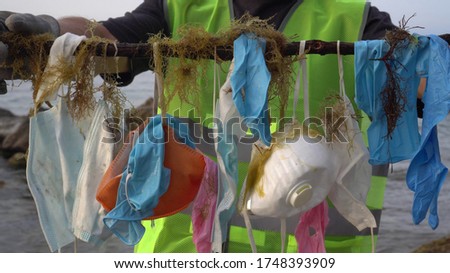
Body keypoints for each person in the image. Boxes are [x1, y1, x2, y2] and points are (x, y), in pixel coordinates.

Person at [1, 0, 397, 253]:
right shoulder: (175, 10)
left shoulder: (357, 20)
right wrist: (52, 34)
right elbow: (104, 38)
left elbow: (419, 79)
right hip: (179, 248)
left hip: (312, 251)